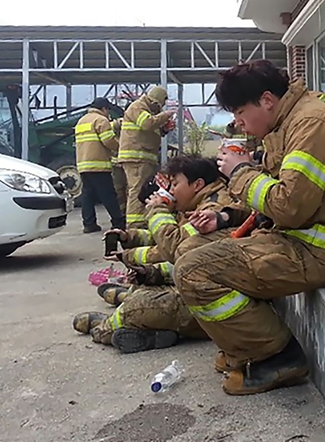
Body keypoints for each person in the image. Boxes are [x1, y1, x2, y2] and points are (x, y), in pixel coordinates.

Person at [174, 59, 325, 396]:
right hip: (309, 239)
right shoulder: (288, 123)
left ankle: (275, 356)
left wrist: (240, 172)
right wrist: (225, 218)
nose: (238, 122)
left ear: (268, 100)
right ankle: (244, 344)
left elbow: (289, 206)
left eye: (241, 112)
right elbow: (277, 194)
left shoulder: (313, 124)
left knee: (192, 272)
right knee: (192, 251)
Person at [72, 156, 250, 354]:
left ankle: (104, 329)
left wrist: (158, 210)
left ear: (198, 184)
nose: (171, 190)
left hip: (218, 301)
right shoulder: (200, 202)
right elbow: (174, 243)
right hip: (204, 283)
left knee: (138, 306)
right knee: (143, 287)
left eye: (175, 184)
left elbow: (173, 247)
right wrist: (128, 238)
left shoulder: (212, 209)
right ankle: (152, 331)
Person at [117, 85, 174, 229]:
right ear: (155, 101)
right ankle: (134, 225)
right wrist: (164, 116)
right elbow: (147, 124)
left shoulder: (148, 110)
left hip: (144, 158)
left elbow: (151, 131)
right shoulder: (138, 107)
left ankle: (140, 220)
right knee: (136, 190)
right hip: (136, 158)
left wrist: (164, 129)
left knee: (140, 189)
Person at [75, 97, 125, 233]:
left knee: (88, 195)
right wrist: (121, 147)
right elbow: (108, 140)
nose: (108, 113)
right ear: (103, 109)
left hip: (83, 165)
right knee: (108, 194)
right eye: (107, 110)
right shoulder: (101, 120)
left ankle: (89, 224)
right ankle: (118, 222)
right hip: (98, 165)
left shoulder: (82, 121)